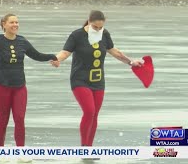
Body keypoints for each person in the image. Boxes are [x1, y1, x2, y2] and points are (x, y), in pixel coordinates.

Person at [51, 10, 143, 147]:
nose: (98, 29)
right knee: (89, 111)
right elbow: (65, 52)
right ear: (89, 22)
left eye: (101, 27)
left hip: (98, 81)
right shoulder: (77, 35)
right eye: (95, 27)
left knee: (94, 115)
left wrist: (131, 62)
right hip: (80, 79)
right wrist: (57, 59)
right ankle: (84, 148)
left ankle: (89, 148)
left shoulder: (104, 34)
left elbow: (114, 51)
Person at [0, 13, 58, 147]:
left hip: (19, 86)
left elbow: (36, 55)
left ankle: (20, 151)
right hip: (1, 85)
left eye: (17, 22)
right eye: (12, 22)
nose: (15, 25)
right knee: (3, 120)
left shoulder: (22, 41)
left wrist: (53, 56)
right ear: (4, 24)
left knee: (19, 119)